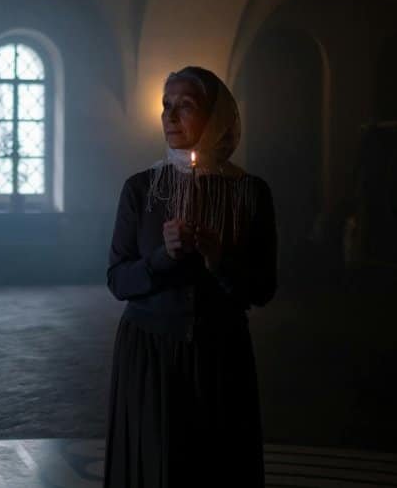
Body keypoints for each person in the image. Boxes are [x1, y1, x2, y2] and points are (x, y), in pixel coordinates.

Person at [103, 66, 277, 488]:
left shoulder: (250, 192)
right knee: (155, 464)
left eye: (186, 106)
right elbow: (118, 280)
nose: (170, 116)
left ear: (216, 116)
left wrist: (219, 259)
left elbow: (263, 288)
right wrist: (163, 258)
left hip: (220, 355)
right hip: (150, 354)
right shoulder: (141, 189)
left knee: (215, 467)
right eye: (166, 106)